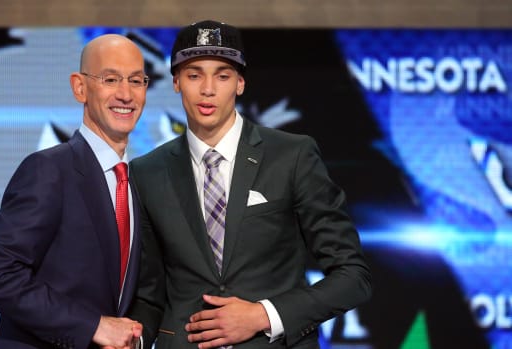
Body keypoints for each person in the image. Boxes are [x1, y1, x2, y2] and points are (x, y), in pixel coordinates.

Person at [128, 20, 372, 349]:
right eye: (194, 74)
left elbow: (352, 276)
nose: (208, 89)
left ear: (240, 83)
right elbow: (150, 295)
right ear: (176, 82)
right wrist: (132, 339)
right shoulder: (147, 171)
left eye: (223, 75)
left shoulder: (292, 155)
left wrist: (264, 315)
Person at [0, 34, 148, 349]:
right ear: (80, 87)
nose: (126, 94)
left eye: (136, 81)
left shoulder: (138, 184)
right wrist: (93, 326)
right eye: (110, 79)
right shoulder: (49, 169)